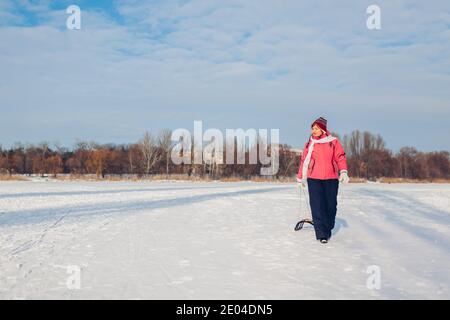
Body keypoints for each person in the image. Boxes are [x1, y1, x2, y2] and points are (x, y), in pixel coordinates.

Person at [297, 117, 349, 244]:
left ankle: (328, 227)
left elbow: (340, 157)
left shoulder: (333, 142)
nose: (313, 131)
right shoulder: (309, 144)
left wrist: (343, 171)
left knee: (330, 206)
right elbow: (304, 161)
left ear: (323, 130)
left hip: (331, 179)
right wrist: (300, 178)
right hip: (314, 178)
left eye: (316, 128)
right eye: (312, 128)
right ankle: (322, 234)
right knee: (316, 206)